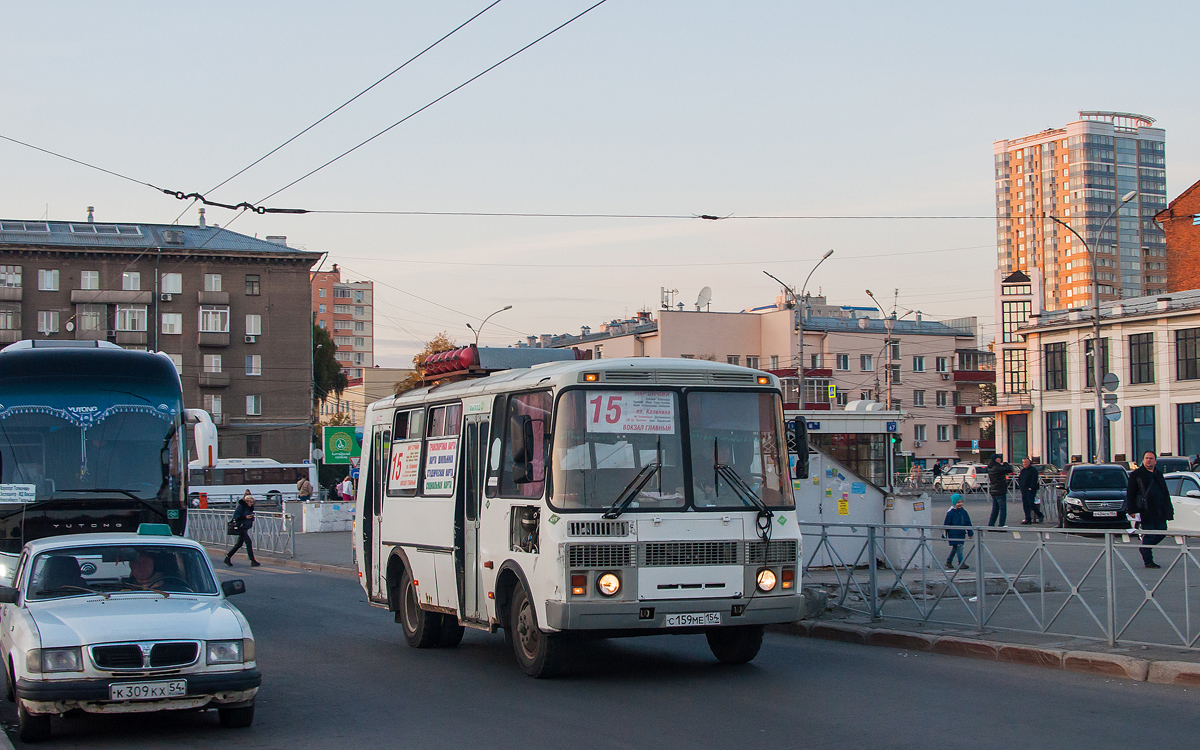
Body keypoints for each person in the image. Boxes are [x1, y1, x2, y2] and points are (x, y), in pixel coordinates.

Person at [1126, 451, 1173, 569]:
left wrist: (1169, 510)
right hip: (1146, 510)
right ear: (1143, 460)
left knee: (1162, 531)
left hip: (1160, 510)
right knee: (1149, 532)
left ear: (1155, 461)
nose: (1148, 460)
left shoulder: (1158, 474)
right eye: (1146, 458)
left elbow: (1165, 493)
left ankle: (1145, 548)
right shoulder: (1136, 474)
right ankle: (1148, 560)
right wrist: (1131, 509)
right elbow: (1130, 493)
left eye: (1151, 458)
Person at [225, 489, 261, 567]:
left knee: (239, 544)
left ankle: (228, 557)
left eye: (252, 502)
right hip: (240, 527)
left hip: (245, 527)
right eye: (250, 502)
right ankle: (252, 560)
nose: (252, 504)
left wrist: (250, 518)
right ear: (247, 501)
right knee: (248, 542)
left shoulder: (249, 507)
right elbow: (236, 516)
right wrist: (245, 517)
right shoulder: (241, 507)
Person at [943, 494, 974, 569]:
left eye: (961, 502)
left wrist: (970, 533)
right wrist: (945, 533)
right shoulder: (950, 513)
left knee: (955, 548)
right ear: (954, 503)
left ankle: (949, 561)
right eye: (958, 502)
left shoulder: (964, 512)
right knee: (959, 547)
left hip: (961, 533)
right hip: (953, 533)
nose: (960, 504)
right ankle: (961, 563)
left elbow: (968, 523)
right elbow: (946, 524)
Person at [986, 453, 1013, 527]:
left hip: (993, 490)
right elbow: (1009, 469)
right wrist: (1005, 463)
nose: (1000, 459)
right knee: (1002, 509)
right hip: (1000, 490)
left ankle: (991, 524)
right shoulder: (997, 467)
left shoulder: (990, 467)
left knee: (995, 509)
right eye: (999, 458)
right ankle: (1001, 525)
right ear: (996, 459)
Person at [1017, 457, 1043, 524]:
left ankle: (1040, 515)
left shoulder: (1033, 470)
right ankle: (1028, 519)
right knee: (1025, 504)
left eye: (1026, 462)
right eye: (1023, 462)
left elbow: (1034, 479)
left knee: (1030, 503)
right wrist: (1020, 486)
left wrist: (1031, 487)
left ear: (1029, 462)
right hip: (1024, 489)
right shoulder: (1022, 471)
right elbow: (1020, 479)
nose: (1024, 464)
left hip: (1031, 489)